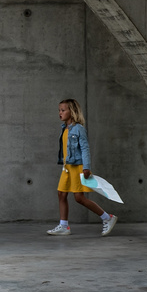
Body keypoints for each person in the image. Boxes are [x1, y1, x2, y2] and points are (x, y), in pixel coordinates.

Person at [47, 99, 118, 236]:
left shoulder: (79, 129)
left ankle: (107, 218)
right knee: (61, 194)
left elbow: (85, 149)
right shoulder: (64, 128)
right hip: (67, 167)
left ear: (72, 112)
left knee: (79, 198)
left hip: (78, 167)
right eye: (59, 110)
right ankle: (64, 226)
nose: (60, 113)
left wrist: (86, 167)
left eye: (63, 110)